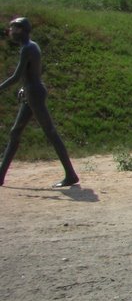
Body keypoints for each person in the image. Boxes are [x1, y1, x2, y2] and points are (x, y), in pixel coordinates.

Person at [1, 17, 79, 188]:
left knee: (50, 132)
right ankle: (1, 175)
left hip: (34, 94)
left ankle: (71, 174)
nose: (10, 32)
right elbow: (30, 74)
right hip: (31, 92)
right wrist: (25, 87)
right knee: (15, 133)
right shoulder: (31, 46)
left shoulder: (27, 48)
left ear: (21, 30)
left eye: (13, 29)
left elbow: (16, 76)